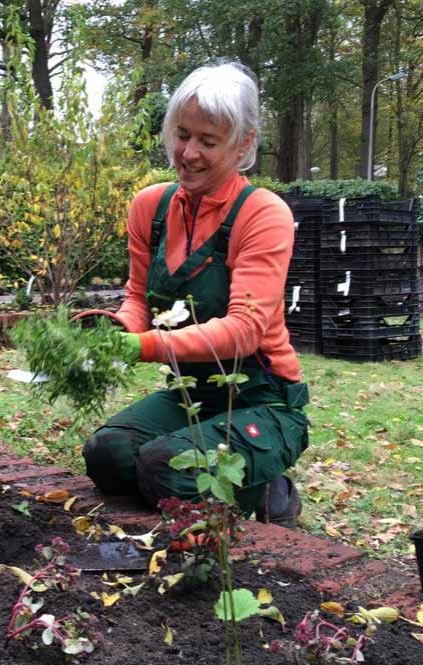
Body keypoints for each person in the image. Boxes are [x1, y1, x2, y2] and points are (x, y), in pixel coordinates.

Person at [81, 62, 309, 526]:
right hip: (192, 393)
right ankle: (193, 475)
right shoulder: (152, 207)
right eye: (182, 134)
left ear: (243, 143)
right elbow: (139, 298)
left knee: (165, 467)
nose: (188, 153)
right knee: (106, 455)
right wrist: (117, 328)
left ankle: (271, 491)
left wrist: (140, 346)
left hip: (262, 400)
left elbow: (245, 332)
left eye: (208, 141)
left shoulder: (263, 214)